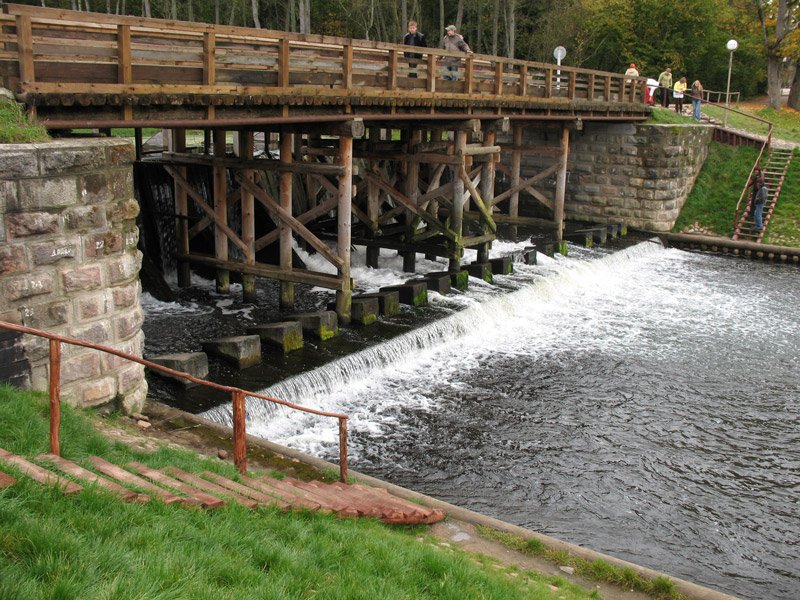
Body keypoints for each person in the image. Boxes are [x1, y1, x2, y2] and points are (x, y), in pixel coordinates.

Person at [749, 165, 767, 231]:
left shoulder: (761, 187)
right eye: (755, 171)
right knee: (757, 213)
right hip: (759, 200)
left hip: (760, 200)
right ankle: (758, 226)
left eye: (757, 171)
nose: (758, 184)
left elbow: (761, 196)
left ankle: (759, 226)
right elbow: (753, 182)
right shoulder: (758, 179)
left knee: (758, 213)